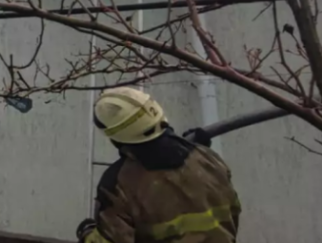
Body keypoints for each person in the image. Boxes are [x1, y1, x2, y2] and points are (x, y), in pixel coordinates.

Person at [76, 87, 241, 243]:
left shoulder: (117, 185)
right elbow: (232, 213)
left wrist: (88, 233)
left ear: (114, 136)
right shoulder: (209, 159)